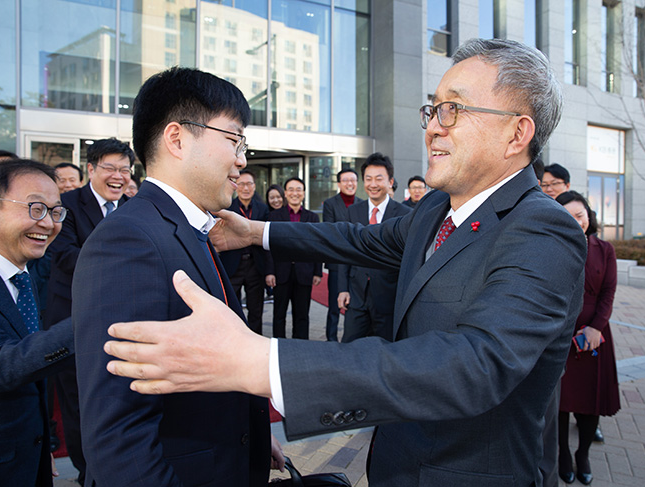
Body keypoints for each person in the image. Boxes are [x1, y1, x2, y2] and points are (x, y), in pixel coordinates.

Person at [104, 39, 587, 487]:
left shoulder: (543, 230)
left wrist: (261, 361)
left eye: (453, 109)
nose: (433, 126)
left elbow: (476, 365)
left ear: (516, 132)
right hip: (398, 463)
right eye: (432, 109)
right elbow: (358, 239)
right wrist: (257, 231)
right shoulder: (436, 211)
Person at [73, 67, 278, 486]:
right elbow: (118, 434)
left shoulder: (190, 228)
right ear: (177, 138)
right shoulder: (129, 239)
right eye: (234, 139)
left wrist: (251, 437)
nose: (242, 159)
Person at [0, 159, 74, 486]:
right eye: (36, 208)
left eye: (56, 212)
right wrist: (90, 322)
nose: (49, 223)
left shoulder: (28, 276)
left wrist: (41, 443)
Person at [45, 137, 134, 484]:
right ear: (91, 169)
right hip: (74, 320)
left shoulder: (130, 207)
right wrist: (124, 260)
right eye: (110, 168)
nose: (119, 177)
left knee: (116, 400)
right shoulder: (65, 204)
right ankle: (88, 475)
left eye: (125, 170)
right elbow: (65, 256)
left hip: (120, 323)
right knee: (78, 404)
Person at [556, 190, 620, 486]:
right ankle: (563, 455)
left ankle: (582, 454)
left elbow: (608, 293)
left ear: (589, 217)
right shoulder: (551, 246)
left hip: (594, 335)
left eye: (580, 215)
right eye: (568, 216)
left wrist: (596, 327)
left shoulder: (604, 249)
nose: (576, 221)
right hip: (559, 333)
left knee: (588, 402)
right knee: (560, 401)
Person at [338, 154, 410, 342]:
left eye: (379, 179)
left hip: (388, 298)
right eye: (368, 179)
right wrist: (342, 288)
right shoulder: (353, 211)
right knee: (349, 347)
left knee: (385, 350)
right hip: (357, 295)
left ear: (390, 182)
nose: (373, 184)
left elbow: (408, 258)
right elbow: (345, 252)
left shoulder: (404, 215)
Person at [266, 177, 322, 339]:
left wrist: (317, 272)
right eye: (291, 189)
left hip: (304, 272)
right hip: (281, 272)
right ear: (285, 193)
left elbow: (317, 247)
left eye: (298, 189)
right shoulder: (275, 216)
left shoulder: (312, 218)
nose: (295, 193)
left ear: (304, 193)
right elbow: (269, 246)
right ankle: (279, 346)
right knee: (279, 314)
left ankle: (301, 347)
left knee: (302, 315)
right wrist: (269, 272)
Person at [220, 170, 270, 334]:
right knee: (232, 308)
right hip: (233, 264)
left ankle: (256, 340)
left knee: (256, 309)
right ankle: (235, 338)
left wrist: (269, 271)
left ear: (254, 187)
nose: (245, 188)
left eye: (249, 184)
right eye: (241, 184)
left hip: (255, 265)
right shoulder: (226, 208)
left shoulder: (262, 209)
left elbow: (267, 242)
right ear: (236, 186)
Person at [321, 168, 362, 341]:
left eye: (352, 180)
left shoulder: (362, 203)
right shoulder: (330, 204)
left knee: (355, 305)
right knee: (334, 305)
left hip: (358, 264)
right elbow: (331, 233)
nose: (349, 184)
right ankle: (331, 339)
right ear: (339, 184)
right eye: (345, 180)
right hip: (337, 262)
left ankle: (352, 338)